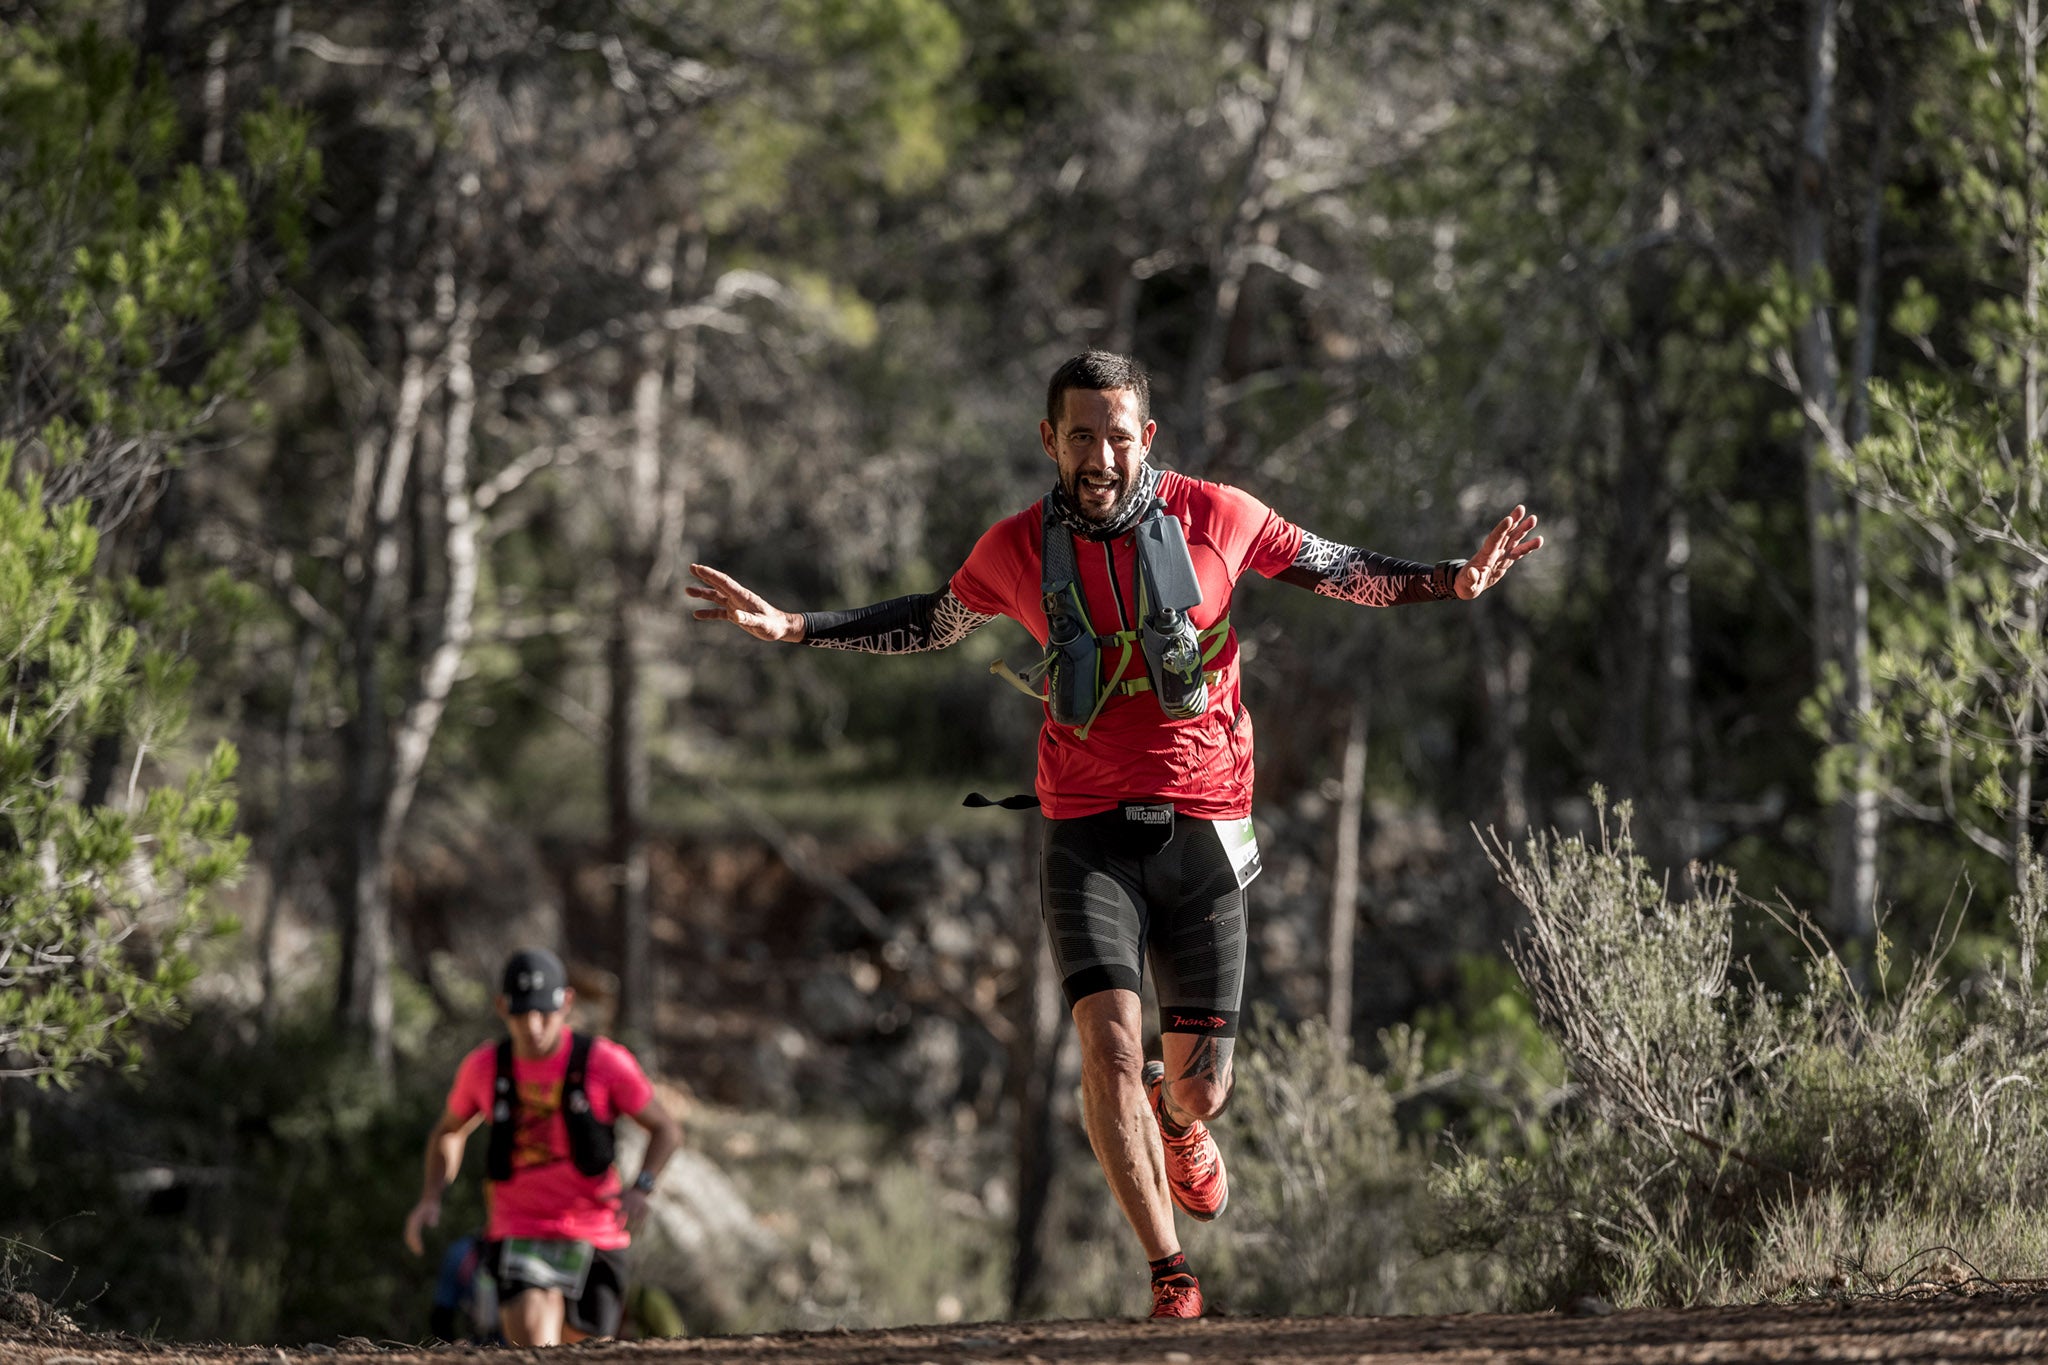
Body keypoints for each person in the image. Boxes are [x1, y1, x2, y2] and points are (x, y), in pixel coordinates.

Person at [687, 350, 1542, 1319]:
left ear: (1149, 439)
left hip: (1207, 820)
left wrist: (1451, 581)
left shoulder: (1220, 515)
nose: (1100, 456)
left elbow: (1338, 568)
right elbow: (931, 621)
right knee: (1104, 1046)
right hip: (1083, 822)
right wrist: (798, 627)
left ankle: (1179, 1122)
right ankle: (1167, 1269)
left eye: (1118, 436)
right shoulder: (1013, 549)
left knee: (1200, 1091)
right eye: (1080, 436)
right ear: (1048, 440)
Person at [403, 948, 683, 1345]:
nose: (533, 1027)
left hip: (596, 1231)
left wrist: (642, 1187)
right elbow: (449, 1131)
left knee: (587, 1348)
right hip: (519, 1227)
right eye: (521, 1015)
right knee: (535, 1343)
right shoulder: (484, 1068)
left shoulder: (605, 1062)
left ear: (566, 1003)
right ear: (502, 1007)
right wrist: (430, 1197)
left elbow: (666, 1129)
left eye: (544, 1014)